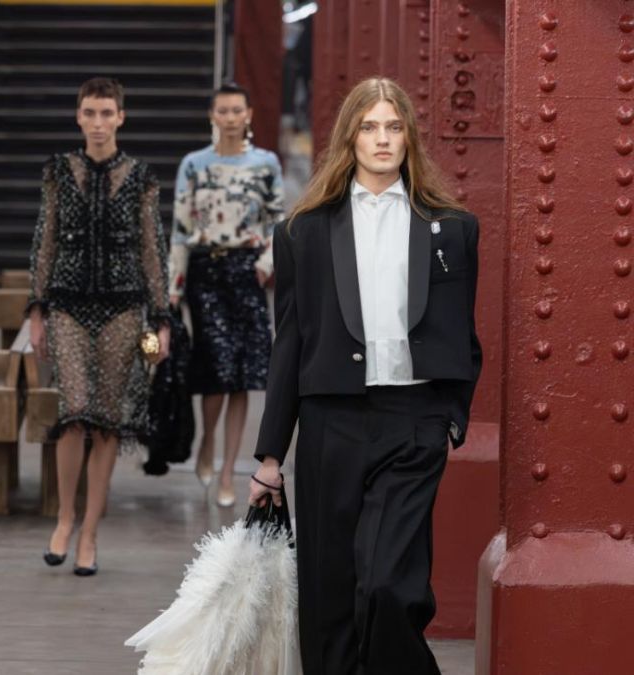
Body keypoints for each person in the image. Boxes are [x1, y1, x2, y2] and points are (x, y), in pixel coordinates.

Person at [249, 77, 481, 674]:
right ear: (349, 137)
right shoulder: (303, 231)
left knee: (387, 586)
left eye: (394, 127)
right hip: (331, 423)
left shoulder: (452, 227)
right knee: (329, 597)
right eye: (370, 126)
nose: (382, 139)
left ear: (409, 138)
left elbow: (462, 330)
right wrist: (271, 455)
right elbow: (290, 342)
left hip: (413, 424)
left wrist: (449, 417)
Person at [28, 77, 171, 577]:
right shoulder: (59, 172)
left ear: (121, 117)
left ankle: (89, 531)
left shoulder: (141, 177)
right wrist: (37, 310)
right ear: (78, 116)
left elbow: (152, 249)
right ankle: (65, 517)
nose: (98, 123)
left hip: (124, 309)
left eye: (107, 113)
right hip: (67, 305)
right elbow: (45, 240)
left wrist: (161, 319)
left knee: (107, 422)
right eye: (90, 113)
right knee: (74, 413)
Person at [170, 82, 284, 507]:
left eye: (238, 110)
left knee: (244, 375)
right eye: (223, 110)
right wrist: (174, 286)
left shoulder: (266, 164)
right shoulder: (194, 164)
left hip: (247, 270)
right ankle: (207, 441)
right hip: (206, 271)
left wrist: (266, 265)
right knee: (216, 366)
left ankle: (227, 469)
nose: (231, 117)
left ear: (249, 114)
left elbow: (278, 220)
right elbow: (181, 228)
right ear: (212, 115)